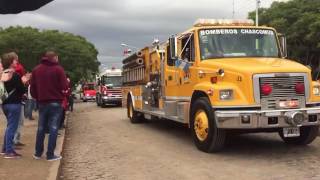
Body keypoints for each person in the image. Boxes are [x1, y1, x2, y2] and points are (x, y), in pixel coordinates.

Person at [31, 51, 67, 161]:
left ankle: (38, 153)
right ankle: (50, 154)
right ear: (55, 58)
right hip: (56, 101)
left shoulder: (36, 69)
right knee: (54, 127)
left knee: (41, 127)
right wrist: (61, 94)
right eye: (57, 58)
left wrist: (38, 97)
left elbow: (32, 87)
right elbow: (64, 85)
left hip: (42, 102)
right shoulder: (58, 69)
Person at [0, 52, 28, 158]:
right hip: (14, 103)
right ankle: (9, 151)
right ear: (11, 62)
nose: (17, 62)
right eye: (15, 60)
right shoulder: (15, 75)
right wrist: (24, 82)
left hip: (5, 103)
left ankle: (5, 148)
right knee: (12, 127)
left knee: (9, 126)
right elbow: (21, 90)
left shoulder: (3, 74)